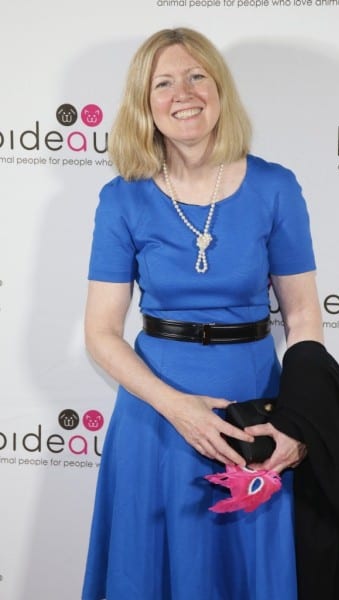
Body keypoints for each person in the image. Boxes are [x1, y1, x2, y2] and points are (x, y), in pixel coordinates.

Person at [82, 27, 324, 600]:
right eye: (162, 82)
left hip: (254, 410)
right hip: (154, 414)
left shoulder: (275, 187)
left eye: (196, 76)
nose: (182, 93)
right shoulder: (122, 198)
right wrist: (178, 409)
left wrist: (298, 419)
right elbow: (100, 333)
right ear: (145, 103)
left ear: (219, 89)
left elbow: (305, 318)